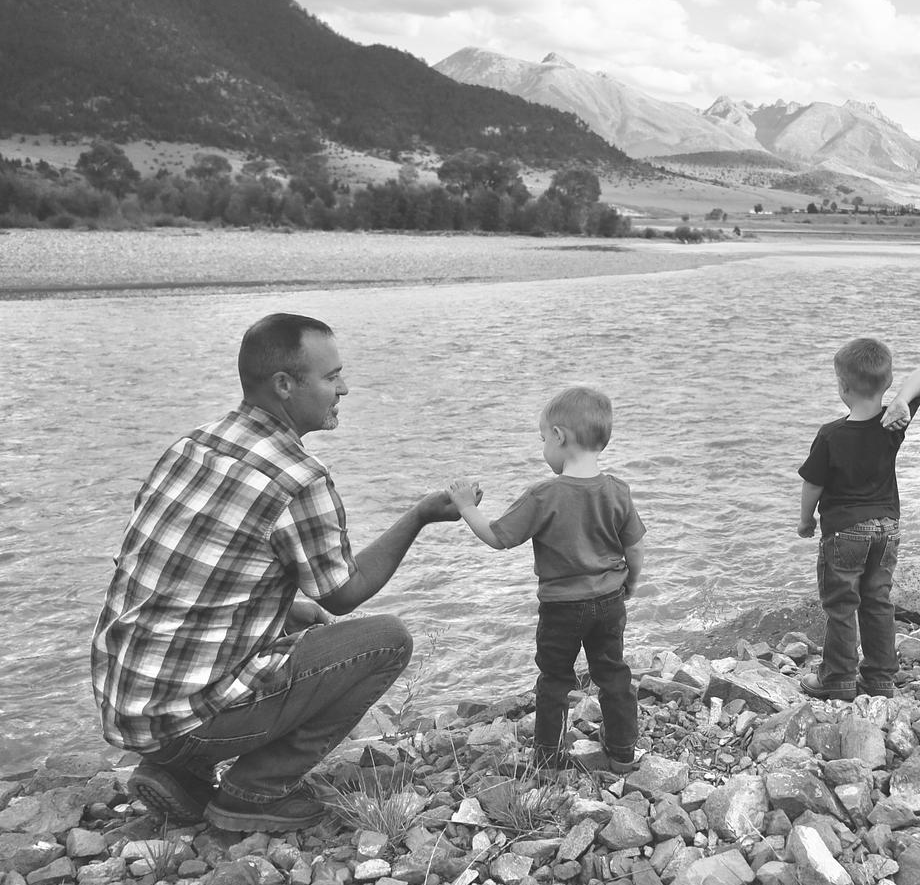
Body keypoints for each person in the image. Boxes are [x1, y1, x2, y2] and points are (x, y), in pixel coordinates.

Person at [92, 312, 468, 832]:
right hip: (186, 719)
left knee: (298, 622)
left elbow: (183, 576)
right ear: (285, 385)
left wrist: (287, 609)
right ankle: (254, 791)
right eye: (331, 377)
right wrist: (419, 516)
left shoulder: (193, 444)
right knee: (385, 641)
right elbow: (344, 592)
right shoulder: (298, 478)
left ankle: (180, 771)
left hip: (127, 706)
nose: (344, 389)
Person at [447, 387, 645, 772]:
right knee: (613, 675)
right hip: (609, 602)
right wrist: (631, 583)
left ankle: (548, 759)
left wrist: (466, 506)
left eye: (542, 440)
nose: (543, 448)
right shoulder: (617, 490)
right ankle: (622, 752)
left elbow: (498, 537)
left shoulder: (543, 495)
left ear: (558, 436)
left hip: (561, 608)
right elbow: (634, 548)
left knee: (554, 680)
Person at [797, 338, 920, 700]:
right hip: (887, 529)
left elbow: (813, 484)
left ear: (842, 387)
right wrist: (902, 399)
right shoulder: (894, 422)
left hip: (845, 532)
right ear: (887, 383)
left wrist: (805, 520)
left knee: (842, 605)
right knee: (877, 601)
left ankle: (838, 678)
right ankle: (880, 678)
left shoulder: (830, 434)